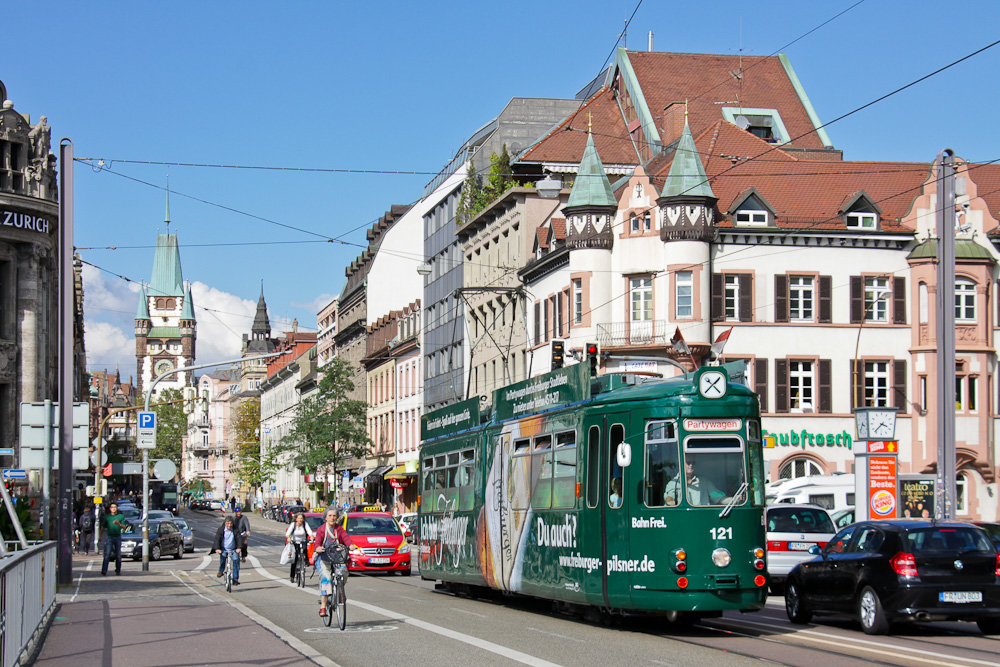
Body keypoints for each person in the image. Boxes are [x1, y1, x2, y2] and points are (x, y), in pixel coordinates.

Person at [313, 507, 354, 617]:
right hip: (323, 558)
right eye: (330, 516)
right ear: (325, 517)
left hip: (337, 558)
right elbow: (317, 542)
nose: (332, 518)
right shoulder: (321, 530)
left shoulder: (339, 529)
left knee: (344, 572)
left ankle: (340, 591)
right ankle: (323, 607)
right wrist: (318, 548)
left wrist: (350, 545)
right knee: (326, 579)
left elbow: (346, 538)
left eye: (334, 516)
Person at [285, 512, 314, 582]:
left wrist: (311, 537)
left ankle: (305, 561)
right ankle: (292, 576)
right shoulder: (293, 524)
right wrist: (288, 537)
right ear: (296, 519)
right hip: (295, 542)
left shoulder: (305, 524)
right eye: (299, 518)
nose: (300, 520)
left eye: (301, 518)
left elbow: (309, 531)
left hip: (303, 541)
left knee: (304, 549)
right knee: (294, 560)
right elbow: (288, 533)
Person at [213, 516, 242, 586]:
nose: (229, 525)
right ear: (225, 523)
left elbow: (239, 539)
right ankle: (221, 571)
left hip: (233, 549)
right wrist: (217, 548)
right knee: (223, 558)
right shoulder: (221, 530)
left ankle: (235, 579)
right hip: (223, 549)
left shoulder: (235, 530)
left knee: (236, 560)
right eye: (227, 523)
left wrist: (239, 548)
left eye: (231, 523)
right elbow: (217, 539)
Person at [99, 502, 125, 576]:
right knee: (107, 554)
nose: (113, 509)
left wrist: (119, 524)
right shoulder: (107, 517)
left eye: (115, 507)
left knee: (118, 555)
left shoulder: (120, 516)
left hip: (117, 537)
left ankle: (118, 570)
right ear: (110, 509)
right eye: (112, 507)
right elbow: (103, 527)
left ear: (117, 508)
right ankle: (104, 570)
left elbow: (124, 527)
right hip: (109, 537)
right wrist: (100, 536)